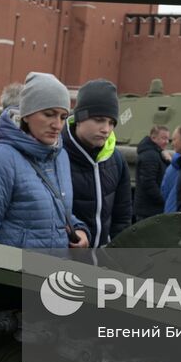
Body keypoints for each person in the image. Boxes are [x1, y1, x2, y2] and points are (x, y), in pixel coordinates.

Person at [0, 72, 89, 248]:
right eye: (49, 114)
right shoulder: (0, 159)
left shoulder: (61, 156)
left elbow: (56, 210)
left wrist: (78, 229)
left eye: (62, 117)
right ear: (27, 114)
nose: (57, 125)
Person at [60, 79, 132, 246]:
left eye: (111, 122)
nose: (106, 129)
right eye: (99, 120)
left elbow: (122, 218)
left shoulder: (117, 160)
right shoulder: (55, 154)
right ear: (80, 118)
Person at [132, 124, 170, 221]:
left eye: (168, 139)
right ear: (153, 138)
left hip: (150, 209)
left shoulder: (156, 153)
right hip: (149, 210)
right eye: (163, 138)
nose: (166, 142)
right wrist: (163, 200)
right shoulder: (150, 156)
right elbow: (148, 183)